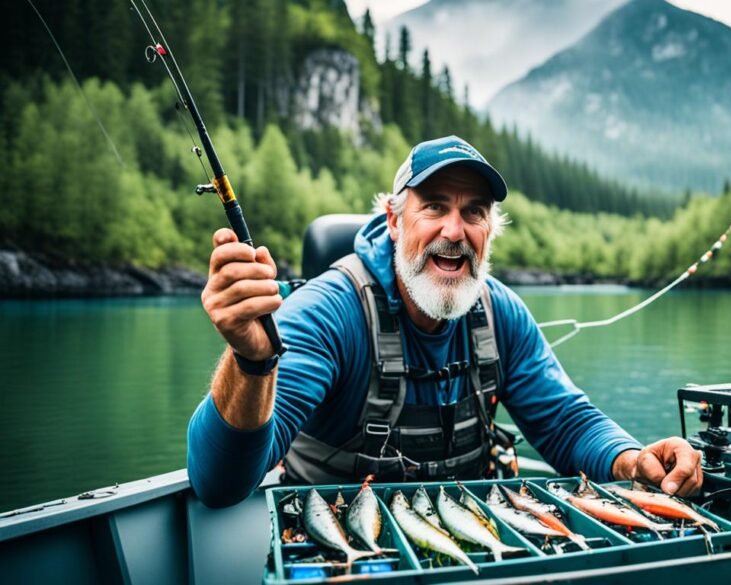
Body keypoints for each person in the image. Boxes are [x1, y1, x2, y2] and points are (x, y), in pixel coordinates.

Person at [188, 135, 703, 507]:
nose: (454, 231)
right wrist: (252, 362)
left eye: (474, 211)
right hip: (333, 553)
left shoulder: (502, 315)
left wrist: (632, 460)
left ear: (489, 230)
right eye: (434, 205)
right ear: (393, 221)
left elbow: (567, 423)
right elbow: (219, 484)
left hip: (466, 549)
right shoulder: (329, 313)